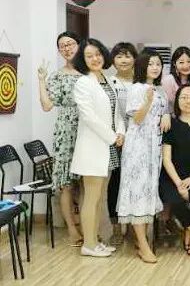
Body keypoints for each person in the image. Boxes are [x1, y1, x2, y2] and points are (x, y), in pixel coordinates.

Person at [70, 38, 125, 258]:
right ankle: (89, 244)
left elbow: (116, 112)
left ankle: (95, 241)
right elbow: (89, 117)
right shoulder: (83, 83)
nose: (95, 59)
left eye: (98, 54)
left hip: (108, 147)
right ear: (83, 60)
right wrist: (112, 137)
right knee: (91, 198)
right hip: (93, 148)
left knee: (100, 198)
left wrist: (121, 132)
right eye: (89, 56)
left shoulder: (107, 79)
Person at [116, 50, 171, 263]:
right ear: (142, 66)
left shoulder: (160, 89)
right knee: (138, 192)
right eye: (151, 64)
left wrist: (166, 114)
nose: (155, 68)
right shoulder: (136, 88)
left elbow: (164, 111)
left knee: (149, 192)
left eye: (158, 64)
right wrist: (148, 102)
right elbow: (137, 119)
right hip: (138, 146)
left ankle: (141, 241)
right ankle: (143, 243)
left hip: (154, 147)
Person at [36, 31, 82, 246]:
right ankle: (72, 229)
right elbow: (47, 106)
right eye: (62, 46)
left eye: (70, 44)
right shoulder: (57, 75)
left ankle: (88, 227)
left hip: (88, 129)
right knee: (66, 183)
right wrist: (41, 80)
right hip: (66, 131)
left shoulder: (89, 73)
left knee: (87, 183)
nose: (67, 48)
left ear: (79, 45)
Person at [160, 85, 190, 256]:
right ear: (177, 101)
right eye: (184, 97)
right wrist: (179, 184)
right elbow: (166, 159)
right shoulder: (171, 124)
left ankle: (188, 230)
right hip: (171, 177)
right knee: (174, 200)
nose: (188, 101)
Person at [108, 42, 137, 246]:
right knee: (116, 183)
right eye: (119, 56)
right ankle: (117, 227)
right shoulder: (109, 82)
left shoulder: (141, 81)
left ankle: (135, 225)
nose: (124, 60)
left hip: (138, 140)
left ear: (134, 59)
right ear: (113, 60)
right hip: (117, 139)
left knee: (135, 182)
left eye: (127, 56)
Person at [162, 46, 190, 113]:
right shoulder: (168, 80)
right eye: (181, 62)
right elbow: (165, 106)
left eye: (189, 61)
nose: (186, 66)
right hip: (171, 117)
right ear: (174, 64)